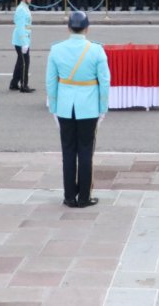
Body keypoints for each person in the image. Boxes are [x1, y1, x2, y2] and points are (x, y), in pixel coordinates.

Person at [46, 11, 111, 208]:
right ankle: (84, 196)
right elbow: (105, 82)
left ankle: (68, 196)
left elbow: (50, 82)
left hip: (65, 106)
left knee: (68, 152)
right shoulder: (96, 50)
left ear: (68, 28)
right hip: (88, 106)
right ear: (87, 28)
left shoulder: (56, 50)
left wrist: (55, 108)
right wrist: (102, 108)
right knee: (85, 151)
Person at [10, 0, 33, 92]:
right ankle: (24, 85)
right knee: (25, 63)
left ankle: (14, 83)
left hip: (23, 39)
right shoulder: (21, 9)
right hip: (21, 40)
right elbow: (20, 27)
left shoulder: (24, 7)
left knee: (20, 61)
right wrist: (24, 43)